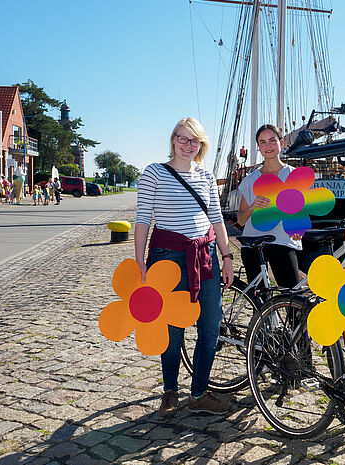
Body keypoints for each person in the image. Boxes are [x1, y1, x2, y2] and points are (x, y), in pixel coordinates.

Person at [134, 117, 234, 419]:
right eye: (182, 138)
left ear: (201, 145)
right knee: (172, 327)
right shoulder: (154, 173)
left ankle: (199, 392)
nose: (188, 145)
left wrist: (227, 257)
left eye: (195, 141)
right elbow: (142, 220)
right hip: (168, 258)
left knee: (210, 328)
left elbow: (216, 220)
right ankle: (170, 392)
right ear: (173, 139)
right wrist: (139, 261)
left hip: (205, 256)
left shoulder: (206, 176)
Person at [235, 124, 302, 289]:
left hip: (283, 241)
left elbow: (302, 211)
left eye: (272, 140)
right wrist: (252, 207)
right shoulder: (250, 180)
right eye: (262, 142)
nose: (268, 146)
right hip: (253, 245)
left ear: (281, 143)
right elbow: (241, 221)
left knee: (293, 298)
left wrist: (299, 230)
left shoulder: (294, 176)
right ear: (258, 147)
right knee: (260, 299)